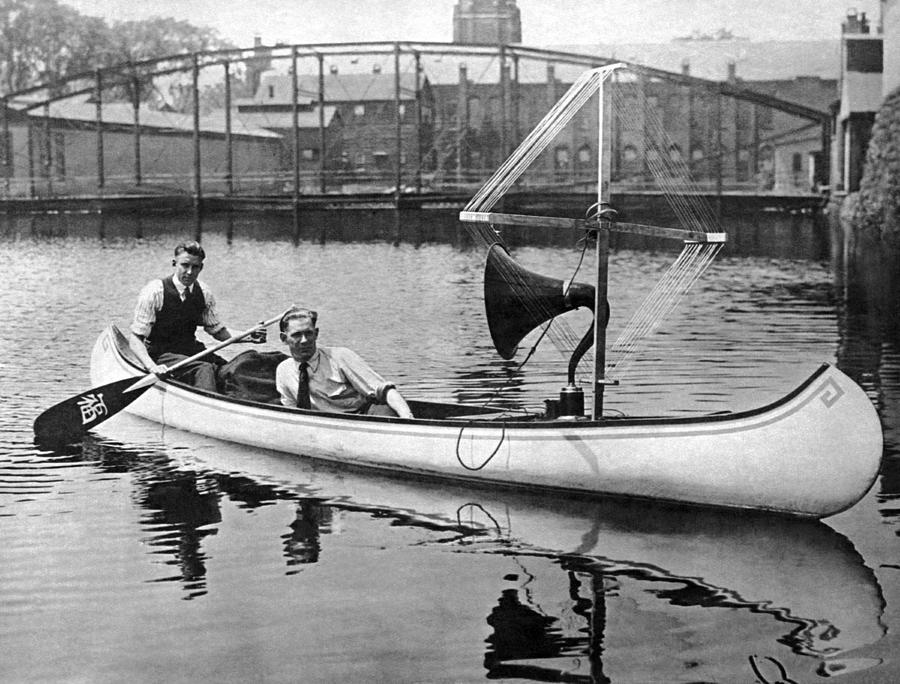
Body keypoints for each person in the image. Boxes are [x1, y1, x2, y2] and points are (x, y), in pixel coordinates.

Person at [129, 240, 266, 392]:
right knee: (204, 369)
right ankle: (211, 406)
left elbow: (218, 332)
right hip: (160, 354)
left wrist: (248, 336)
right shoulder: (154, 292)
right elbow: (135, 340)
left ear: (201, 267)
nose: (189, 272)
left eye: (195, 267)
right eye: (185, 265)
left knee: (231, 369)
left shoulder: (204, 293)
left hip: (191, 351)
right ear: (174, 263)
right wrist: (152, 367)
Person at [275, 307, 414, 419]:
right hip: (326, 424)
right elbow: (291, 410)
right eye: (297, 335)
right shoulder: (283, 370)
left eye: (309, 333)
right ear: (284, 338)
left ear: (316, 333)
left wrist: (407, 419)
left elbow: (385, 390)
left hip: (365, 417)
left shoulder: (340, 357)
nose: (304, 340)